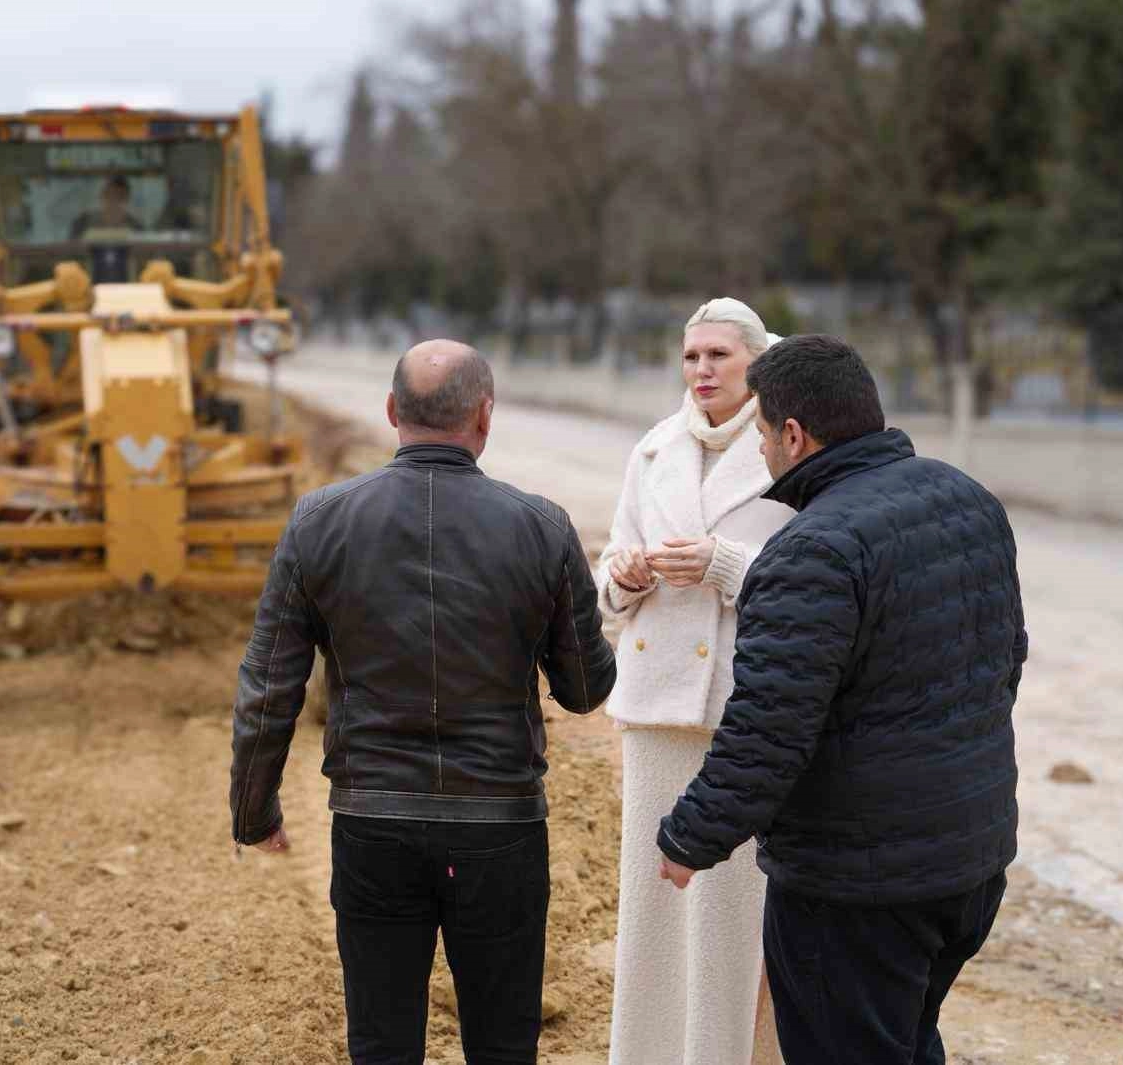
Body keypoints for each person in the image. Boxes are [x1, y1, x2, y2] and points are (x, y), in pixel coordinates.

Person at [229, 339, 617, 1065]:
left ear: (390, 411)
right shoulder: (542, 525)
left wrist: (255, 810)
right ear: (485, 415)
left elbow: (268, 686)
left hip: (373, 824)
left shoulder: (318, 520)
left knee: (382, 1042)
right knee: (504, 1044)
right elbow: (586, 690)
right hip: (499, 828)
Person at [656, 334, 1027, 1064]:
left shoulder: (811, 550)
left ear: (794, 436)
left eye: (763, 435)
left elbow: (768, 728)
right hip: (970, 860)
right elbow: (1005, 661)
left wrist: (691, 837)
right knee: (905, 1042)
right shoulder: (966, 498)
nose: (763, 451)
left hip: (858, 887)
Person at [598, 297, 792, 1065]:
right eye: (691, 356)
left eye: (719, 355)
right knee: (651, 908)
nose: (702, 370)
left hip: (744, 711)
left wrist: (725, 565)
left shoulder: (789, 444)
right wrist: (623, 577)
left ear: (756, 360)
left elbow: (818, 574)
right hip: (656, 709)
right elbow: (608, 585)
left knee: (731, 917)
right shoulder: (653, 449)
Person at [68, 174, 139, 239]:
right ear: (101, 196)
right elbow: (71, 246)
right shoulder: (83, 222)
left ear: (127, 199)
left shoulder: (135, 226)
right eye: (109, 195)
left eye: (120, 196)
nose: (113, 201)